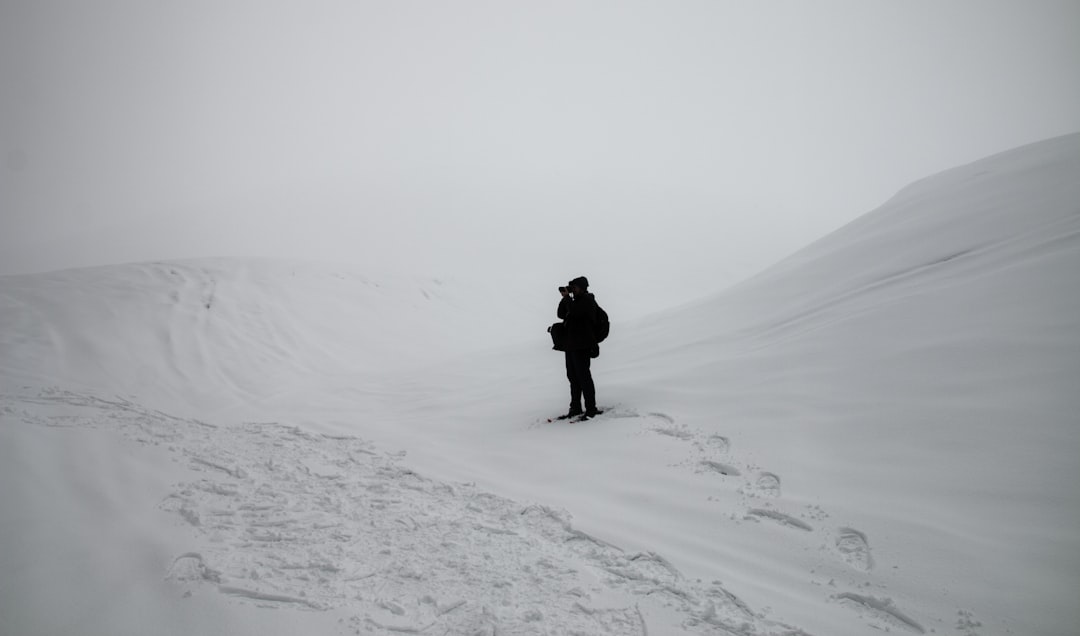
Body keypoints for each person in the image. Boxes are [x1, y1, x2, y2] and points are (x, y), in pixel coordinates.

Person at [556, 276, 602, 419]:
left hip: (582, 345)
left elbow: (575, 311)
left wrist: (568, 299)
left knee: (584, 377)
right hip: (571, 345)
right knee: (573, 377)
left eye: (574, 288)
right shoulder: (573, 301)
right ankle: (575, 408)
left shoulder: (588, 300)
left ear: (582, 288)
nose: (572, 290)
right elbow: (560, 314)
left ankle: (591, 409)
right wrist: (565, 298)